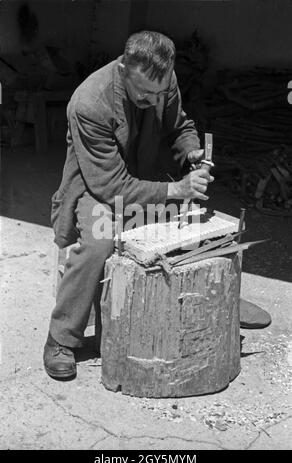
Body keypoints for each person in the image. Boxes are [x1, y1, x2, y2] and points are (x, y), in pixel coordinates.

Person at [44, 31, 270, 380]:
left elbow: (180, 126)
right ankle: (62, 337)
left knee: (200, 227)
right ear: (122, 70)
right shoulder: (89, 102)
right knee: (99, 242)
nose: (152, 99)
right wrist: (176, 188)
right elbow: (113, 186)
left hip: (147, 177)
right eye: (143, 93)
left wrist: (190, 151)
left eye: (158, 92)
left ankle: (213, 304)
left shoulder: (162, 80)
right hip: (99, 188)